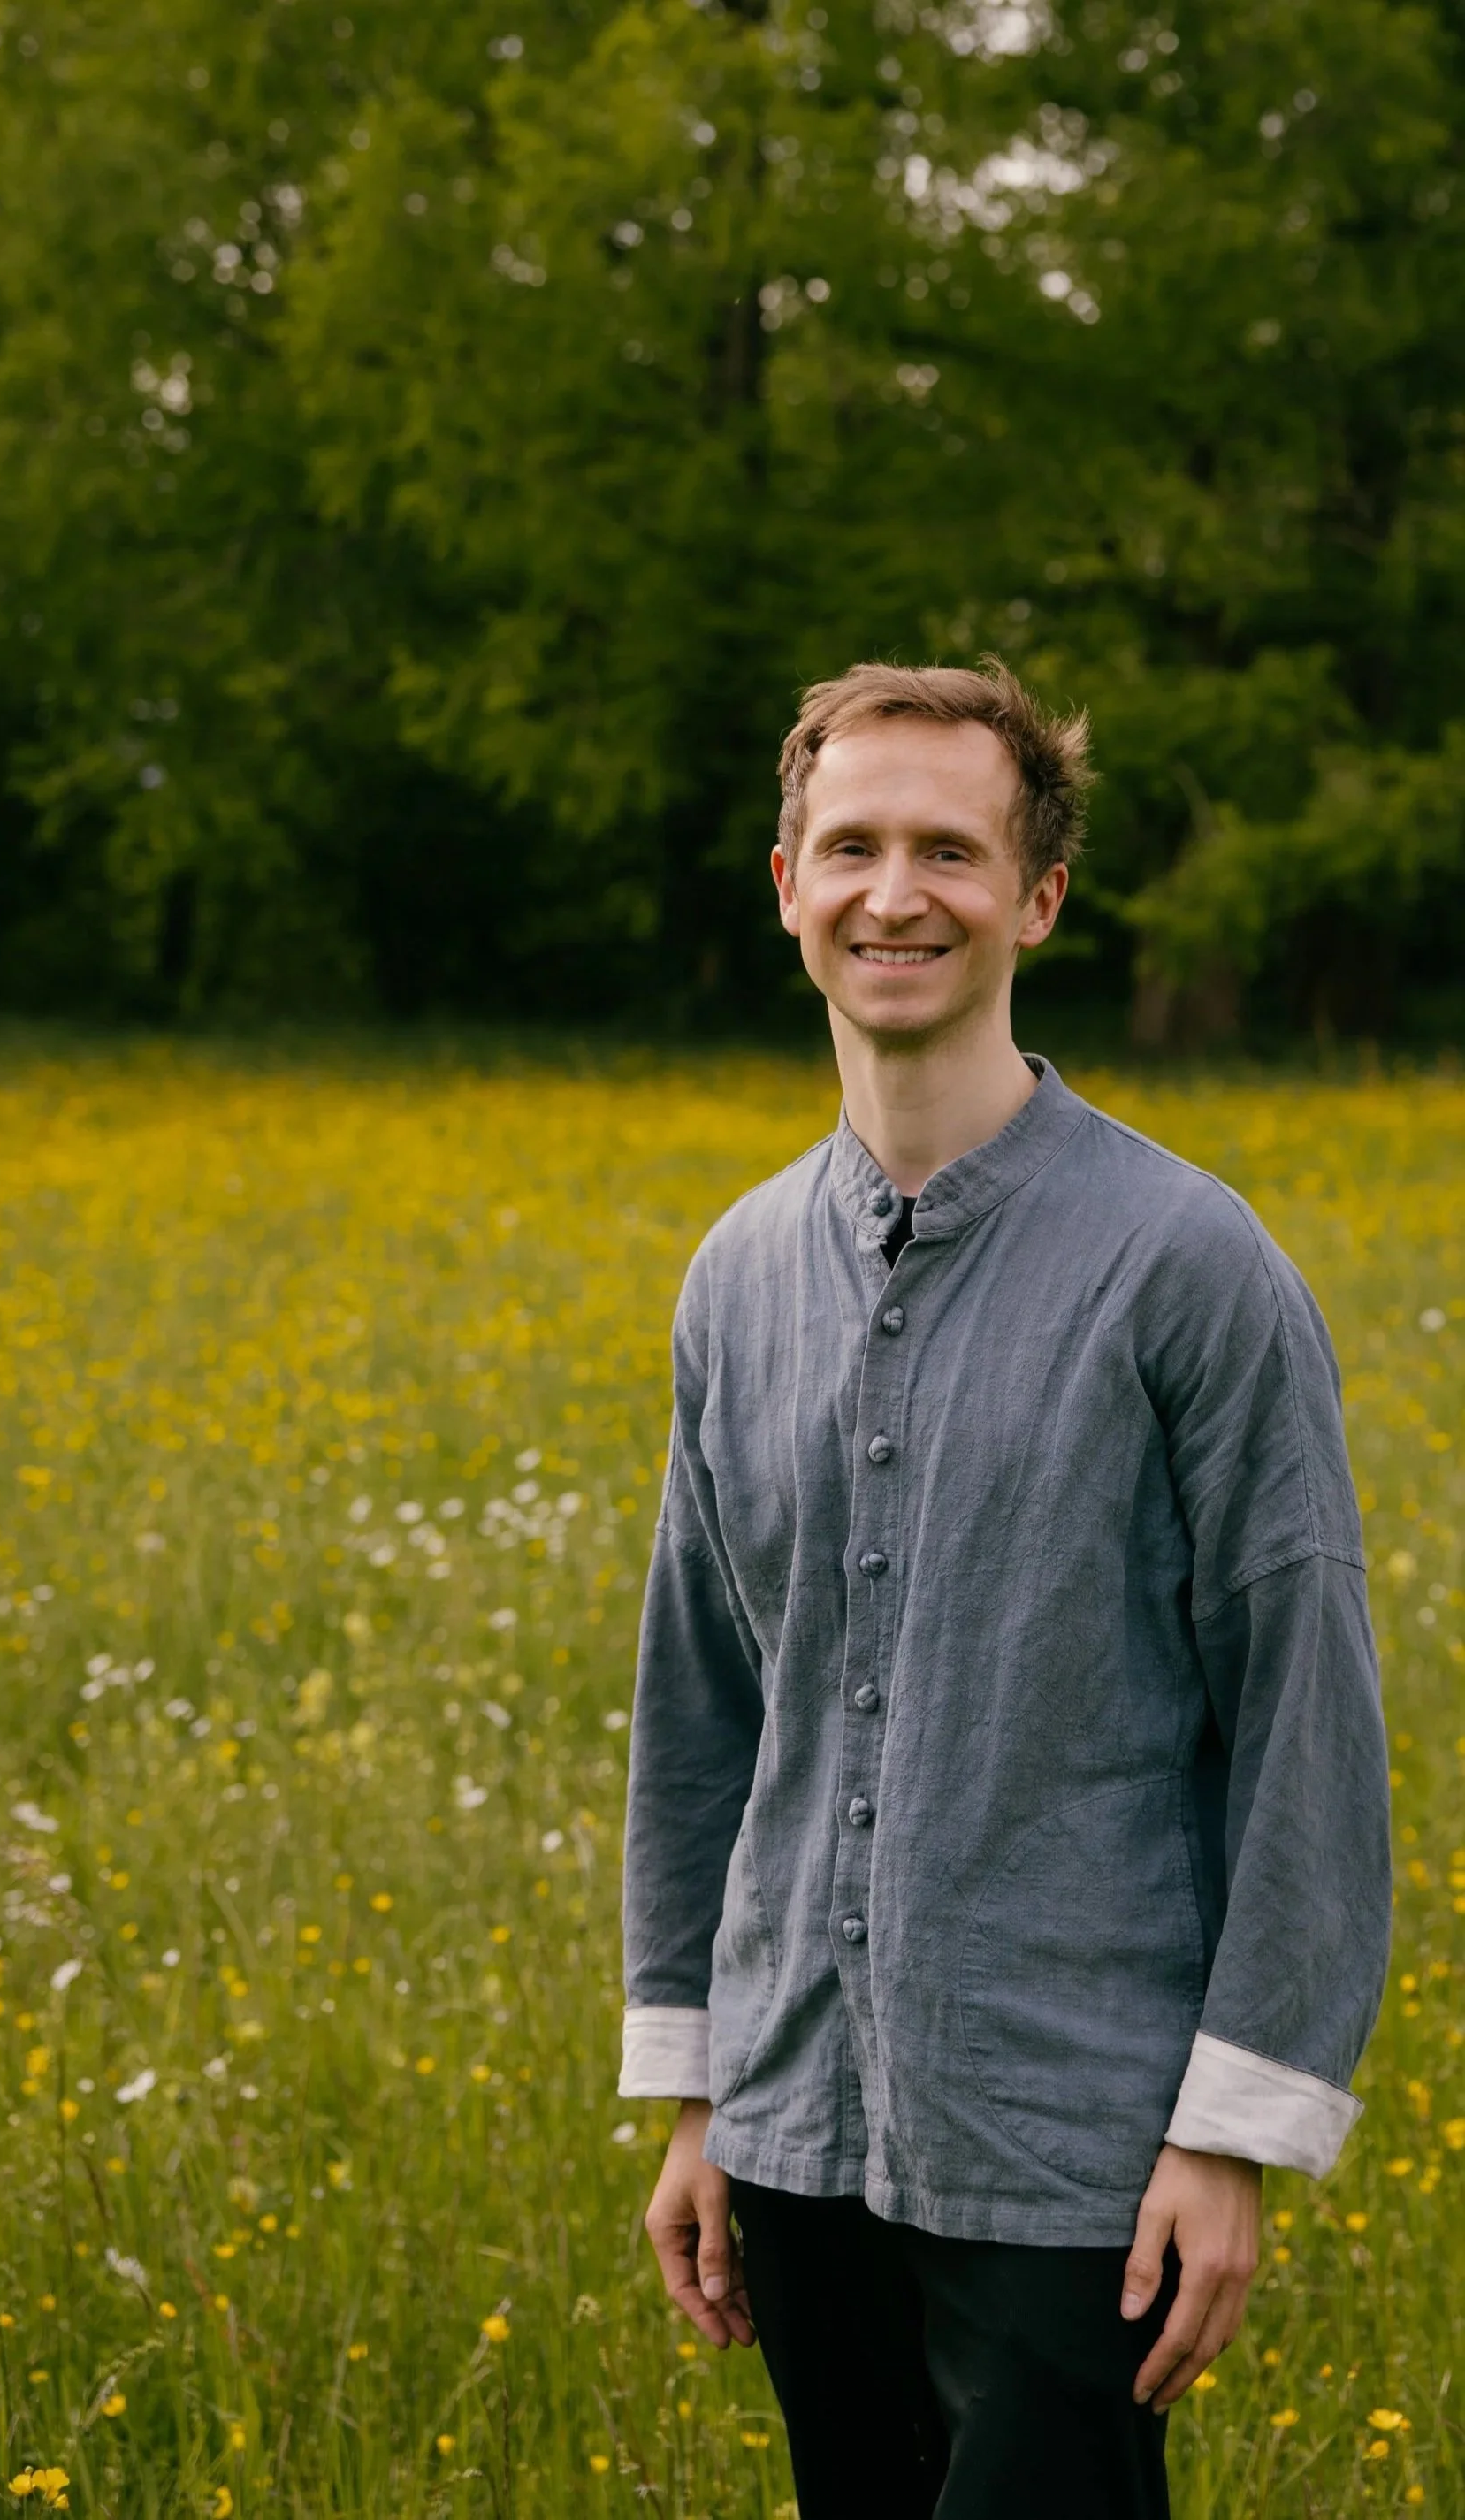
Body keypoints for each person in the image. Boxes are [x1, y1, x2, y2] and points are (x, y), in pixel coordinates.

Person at [618, 660, 1391, 2520]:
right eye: (854, 846)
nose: (898, 893)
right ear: (787, 880)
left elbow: (1300, 1711)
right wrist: (703, 2092)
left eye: (949, 851)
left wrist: (1230, 2131)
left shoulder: (1188, 1267)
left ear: (1033, 898)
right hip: (793, 2134)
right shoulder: (732, 1276)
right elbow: (704, 1707)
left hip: (1076, 2149)